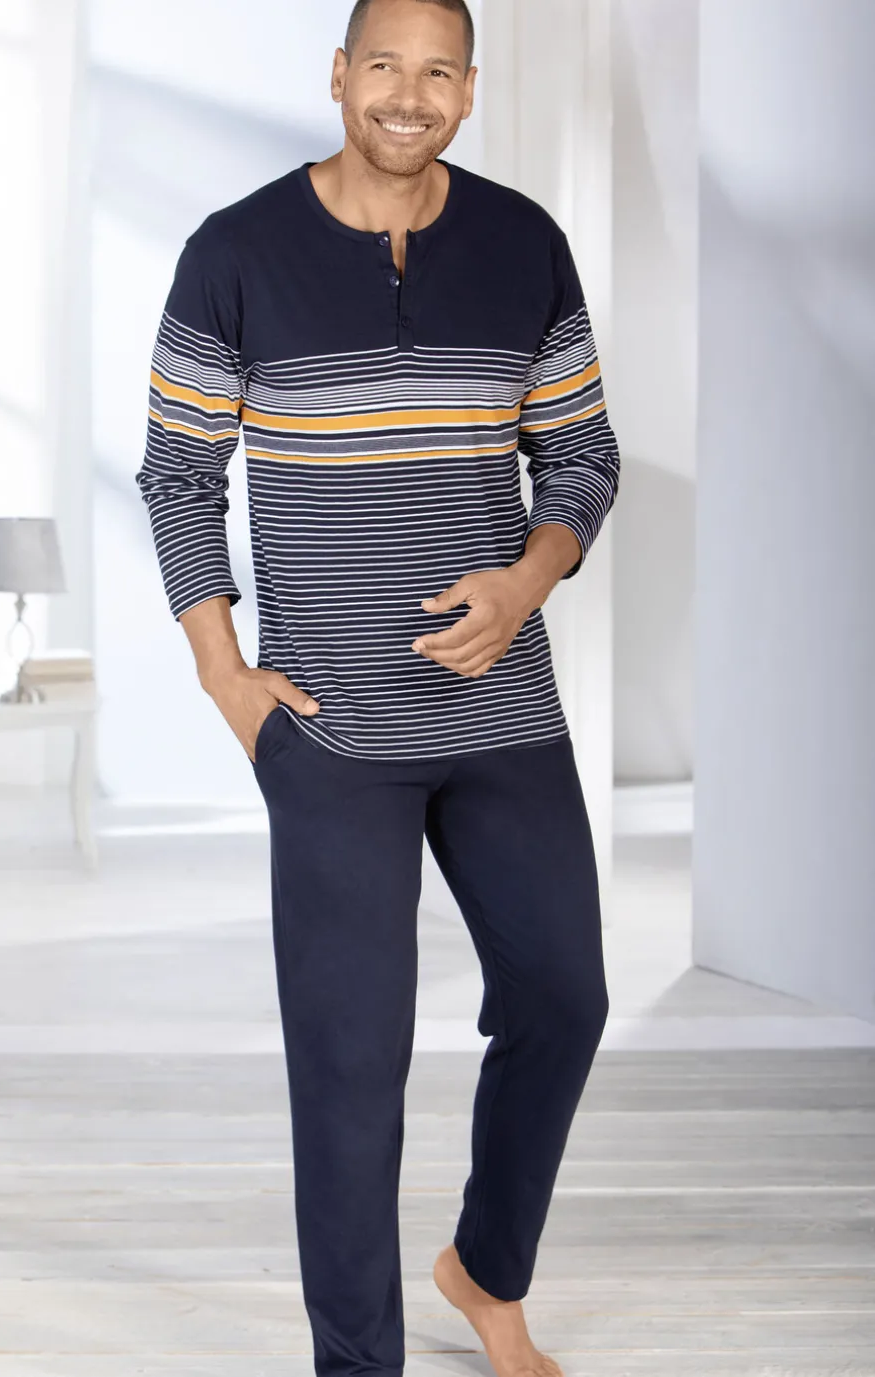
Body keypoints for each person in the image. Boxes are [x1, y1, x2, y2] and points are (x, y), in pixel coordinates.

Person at [135, 0, 620, 1372]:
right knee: (351, 1069)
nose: (410, 96)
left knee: (564, 996)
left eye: (439, 72)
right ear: (340, 76)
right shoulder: (233, 253)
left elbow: (583, 456)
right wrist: (225, 677)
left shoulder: (524, 243)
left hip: (502, 710)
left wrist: (526, 582)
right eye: (386, 67)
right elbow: (178, 474)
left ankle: (485, 1268)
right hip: (330, 728)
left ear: (470, 90)